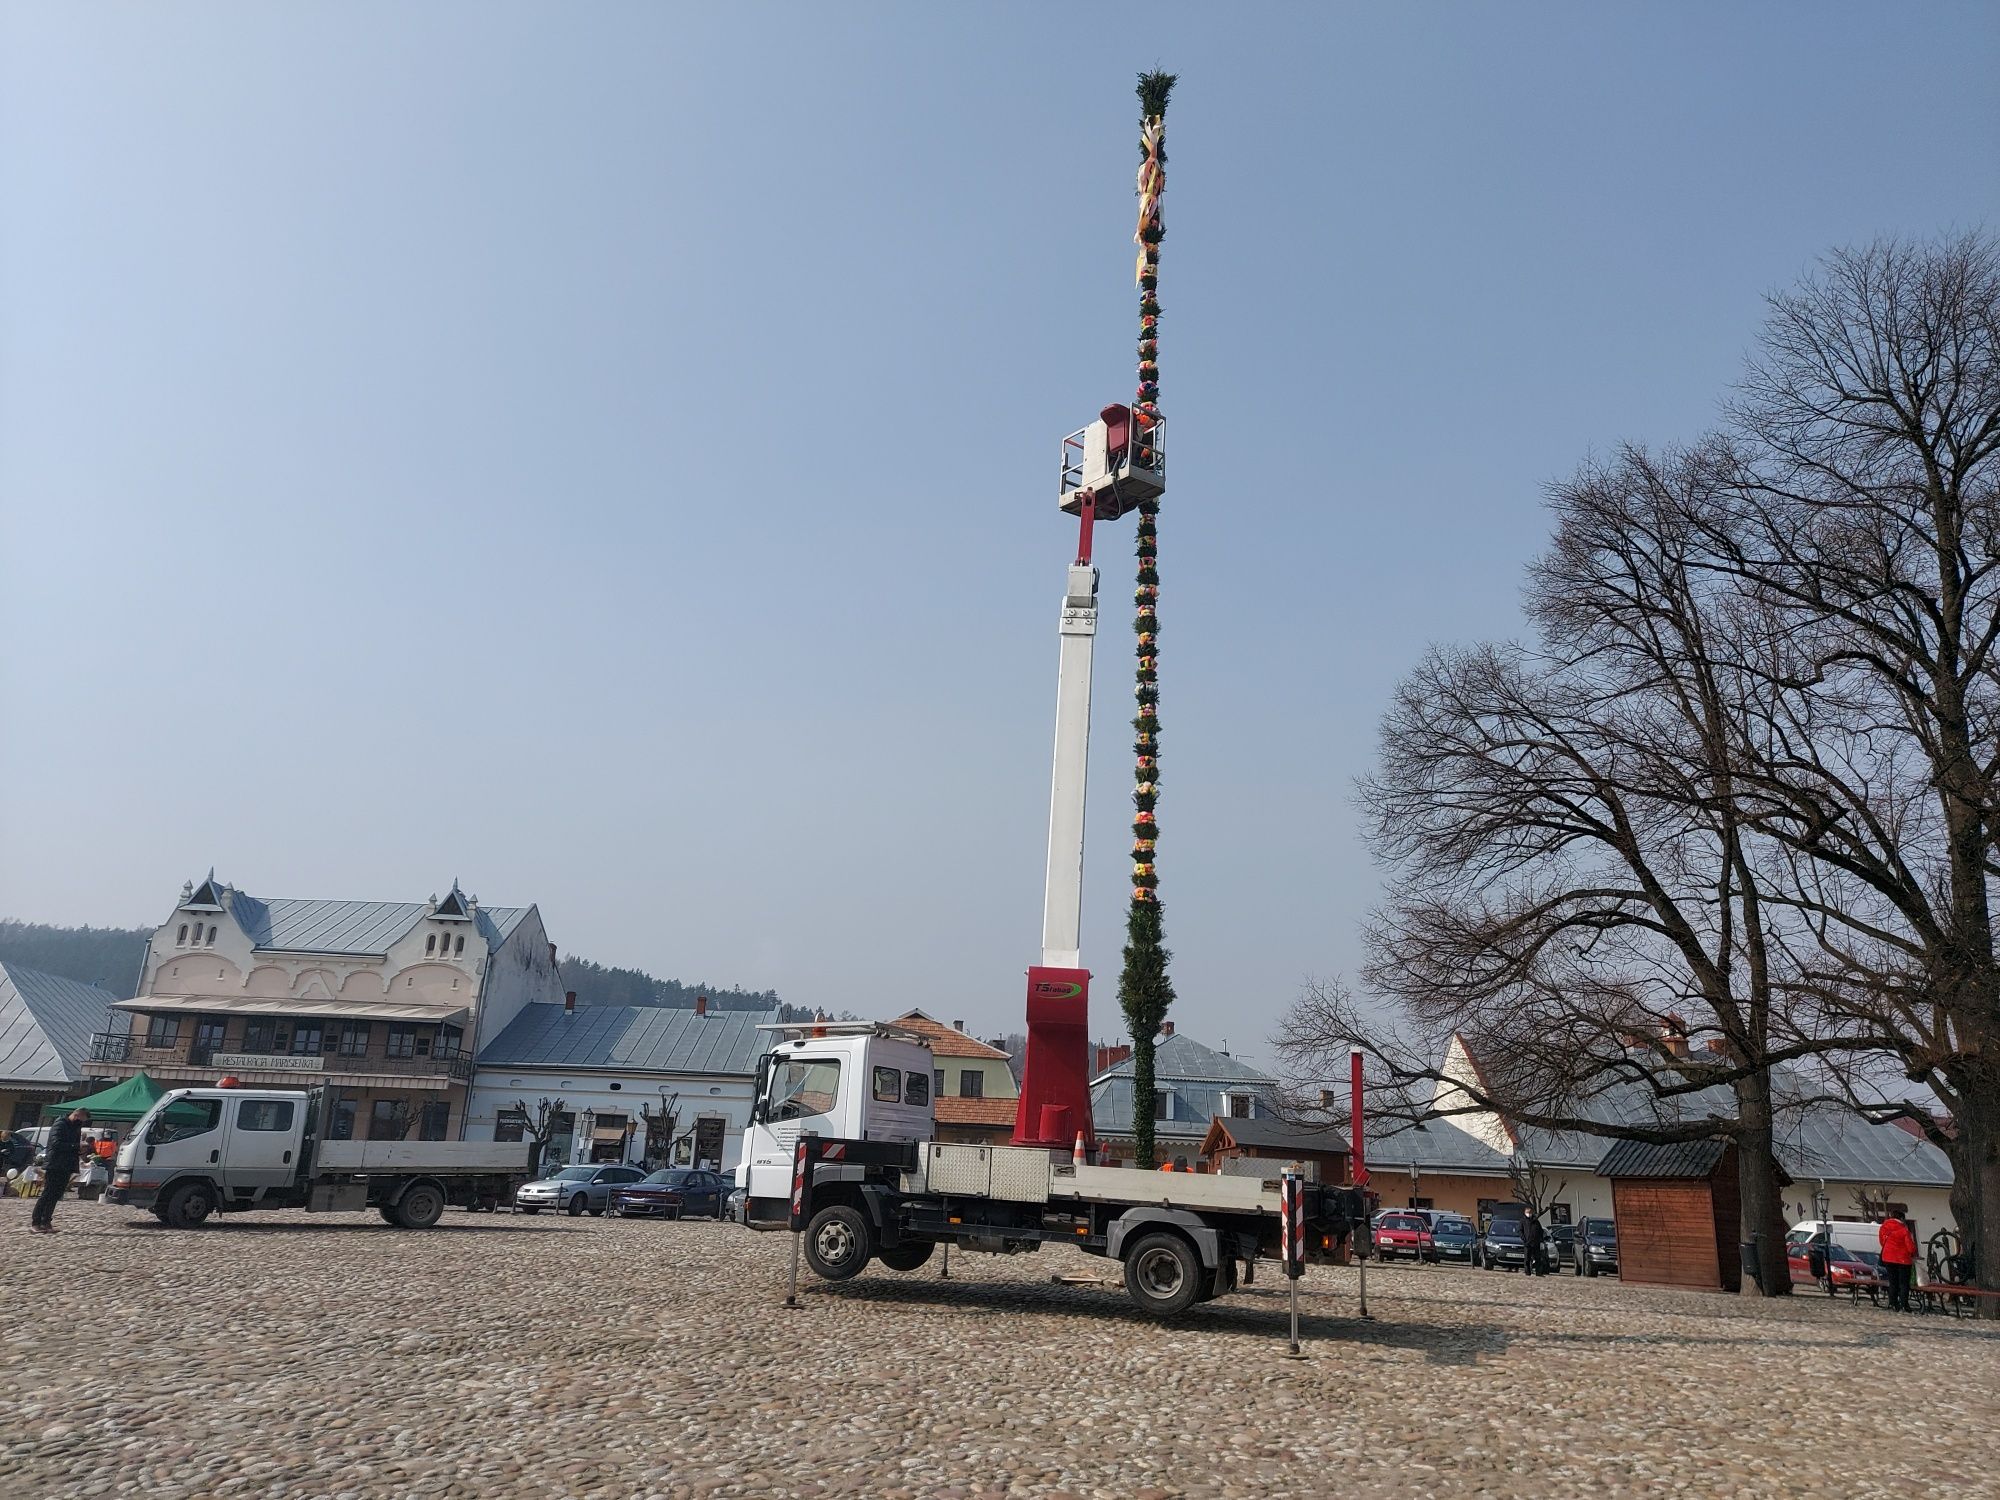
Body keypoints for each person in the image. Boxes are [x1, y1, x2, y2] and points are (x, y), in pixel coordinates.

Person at [31, 1108, 89, 1234]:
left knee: (57, 1194)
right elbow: (56, 1143)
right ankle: (36, 1222)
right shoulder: (60, 1124)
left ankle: (46, 1221)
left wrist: (79, 1150)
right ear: (77, 1115)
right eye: (82, 1119)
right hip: (55, 1164)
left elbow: (72, 1144)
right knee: (48, 1193)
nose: (82, 1123)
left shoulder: (76, 1127)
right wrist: (75, 1146)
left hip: (67, 1164)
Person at [1878, 1210, 1917, 1312]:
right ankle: (1904, 1304)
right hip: (1902, 1259)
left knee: (1893, 1281)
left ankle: (1893, 1303)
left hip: (1888, 1257)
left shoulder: (1884, 1227)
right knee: (1904, 1283)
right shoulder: (1904, 1230)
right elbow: (1910, 1247)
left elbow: (1882, 1241)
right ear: (1902, 1218)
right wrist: (1912, 1253)